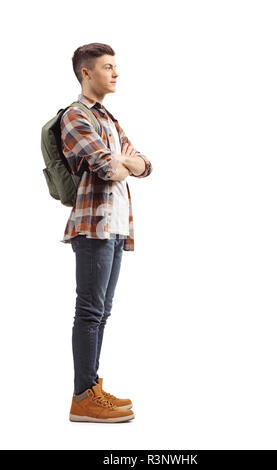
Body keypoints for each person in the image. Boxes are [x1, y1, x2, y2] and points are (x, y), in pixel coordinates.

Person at [60, 43, 152, 423]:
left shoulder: (110, 120)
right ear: (86, 73)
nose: (116, 73)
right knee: (90, 311)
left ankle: (92, 387)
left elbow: (145, 163)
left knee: (103, 312)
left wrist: (128, 163)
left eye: (116, 67)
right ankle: (82, 396)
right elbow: (104, 167)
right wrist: (124, 163)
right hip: (92, 227)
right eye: (108, 67)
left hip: (115, 227)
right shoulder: (74, 116)